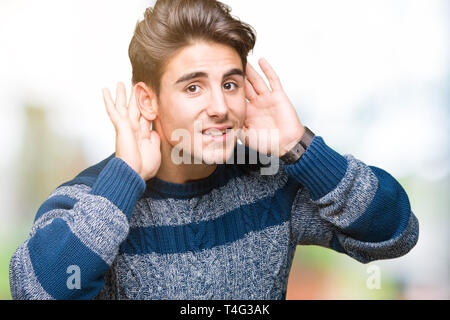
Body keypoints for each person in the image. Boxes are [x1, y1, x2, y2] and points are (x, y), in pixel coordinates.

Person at [9, 0, 419, 300]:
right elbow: (38, 293)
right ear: (148, 101)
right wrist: (123, 181)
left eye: (229, 83)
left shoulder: (272, 184)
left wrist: (301, 148)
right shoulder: (91, 201)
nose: (220, 108)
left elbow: (395, 232)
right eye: (193, 86)